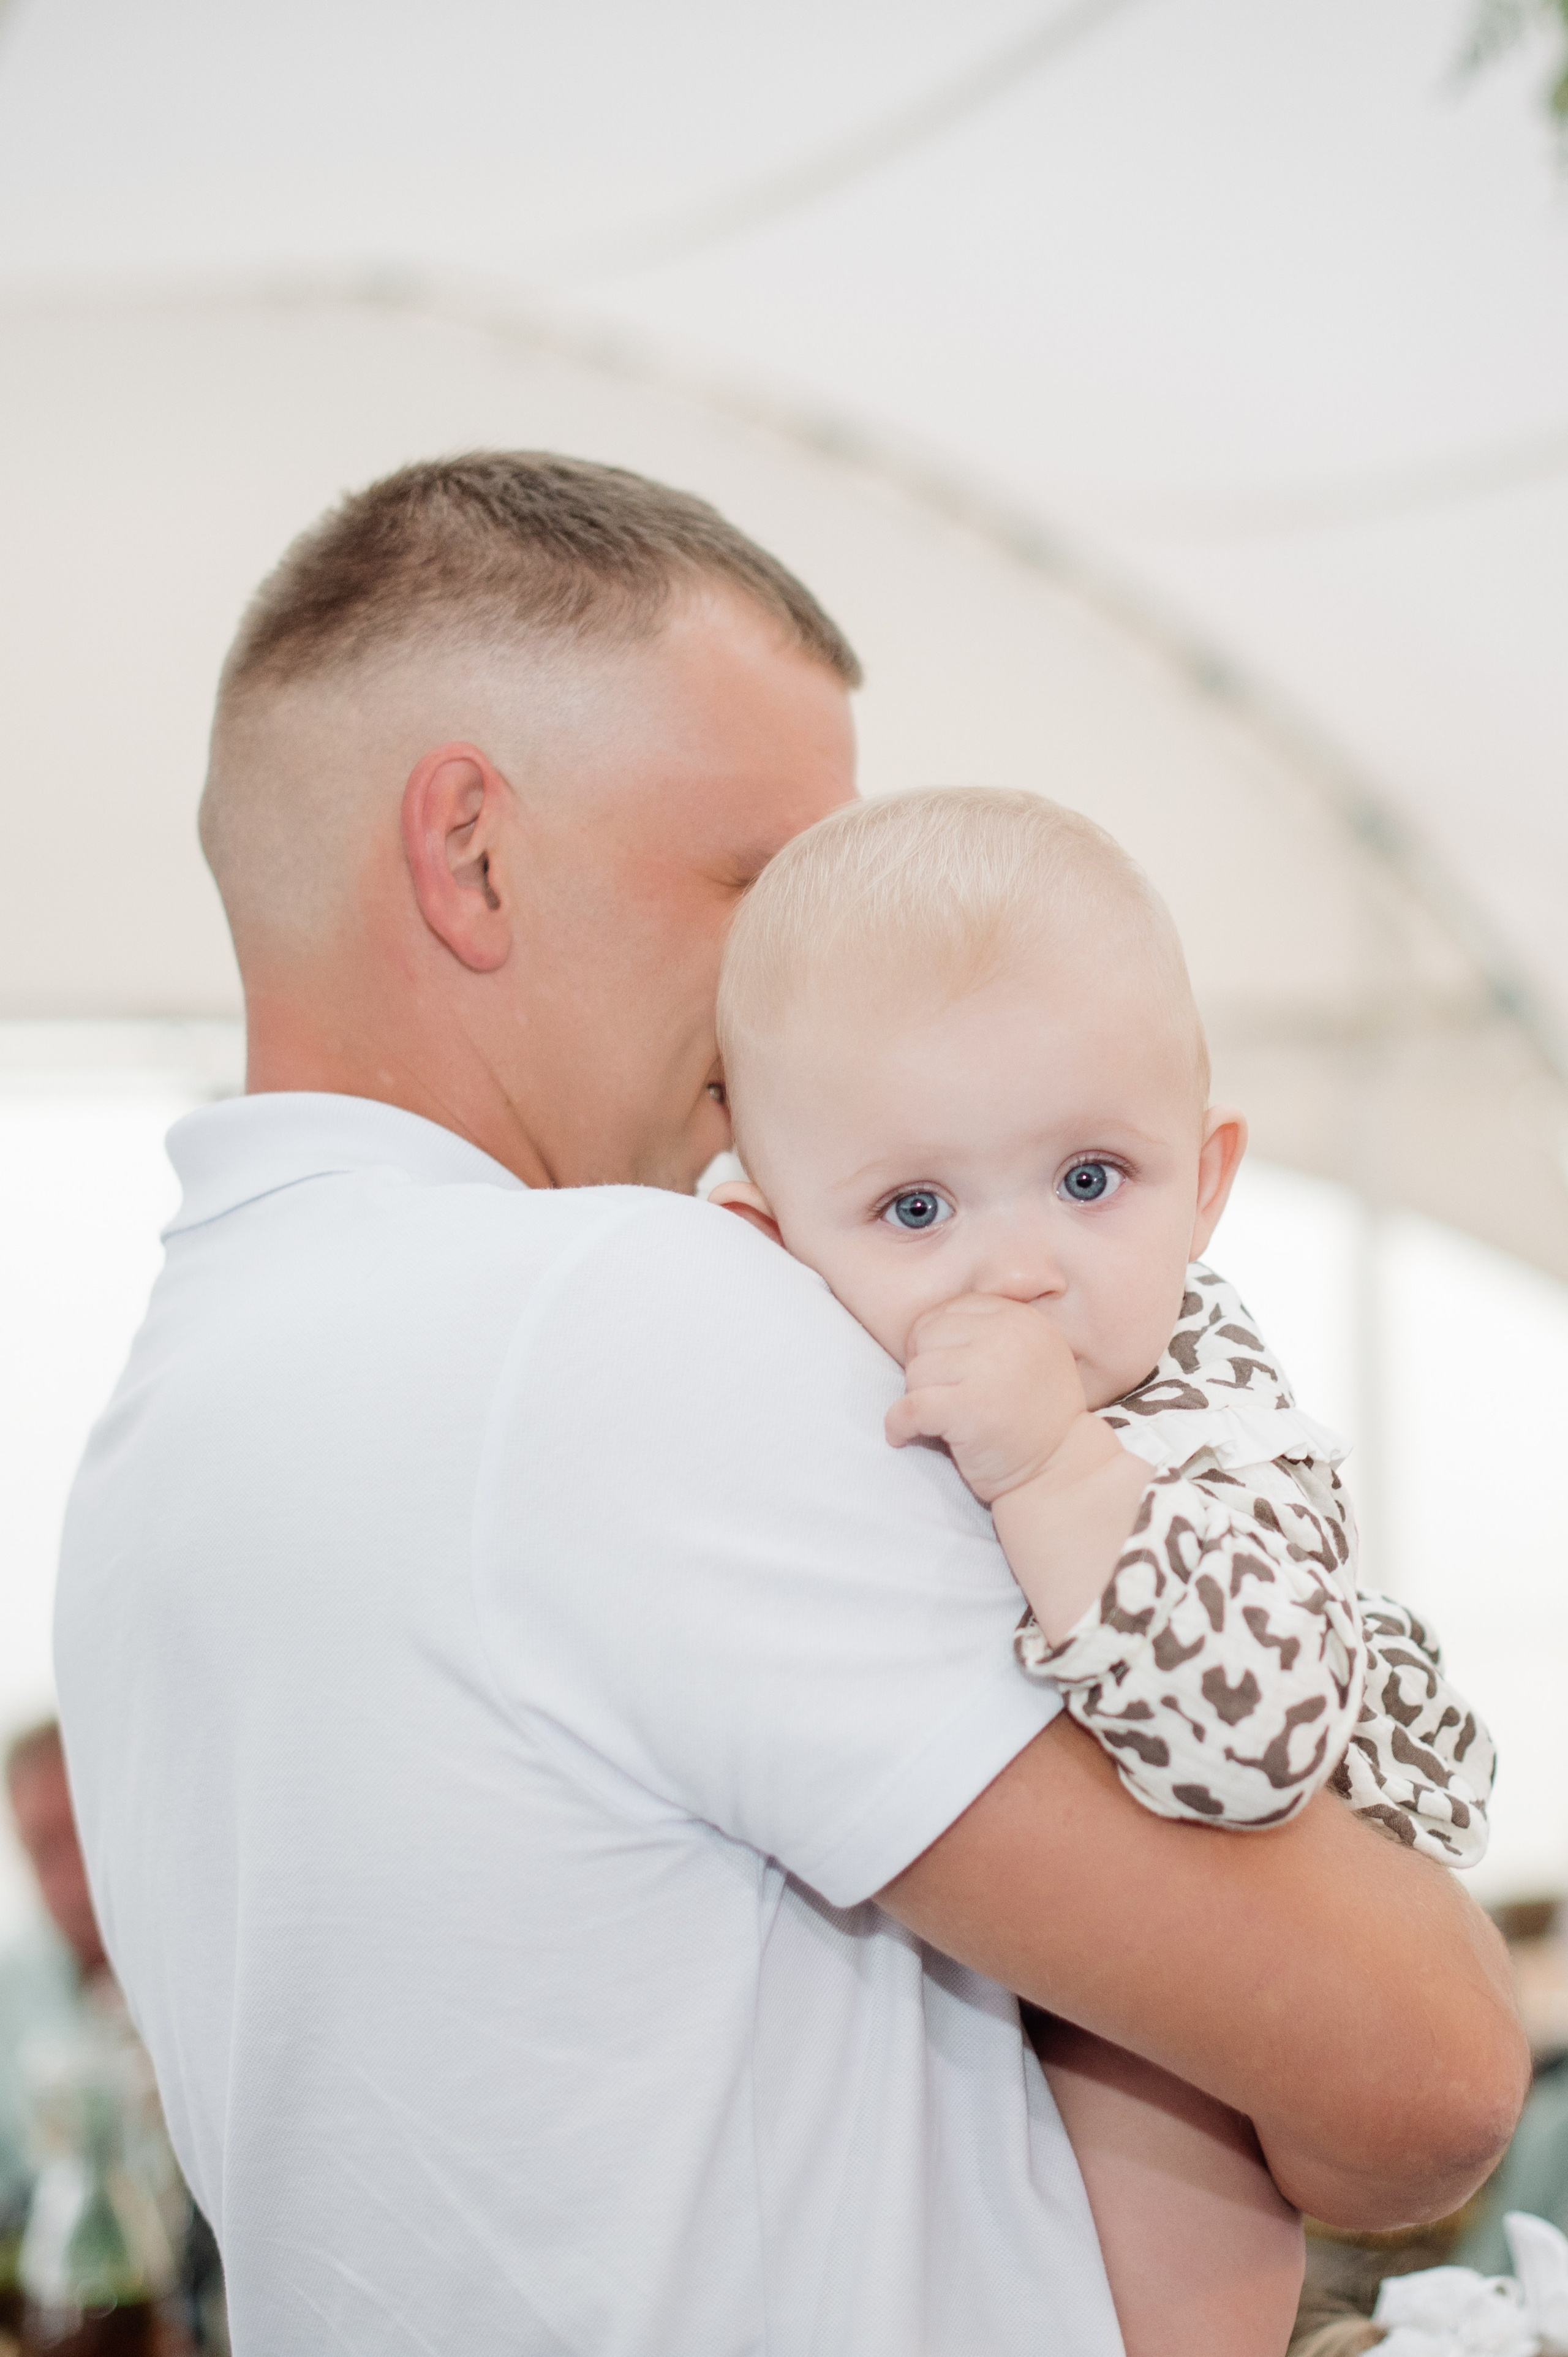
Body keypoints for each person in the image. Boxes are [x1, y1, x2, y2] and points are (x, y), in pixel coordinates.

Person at [53, 454, 1528, 2357]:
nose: (831, 980)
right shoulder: (609, 1317)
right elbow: (1421, 2076)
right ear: (473, 853)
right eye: (764, 879)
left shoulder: (159, 1440)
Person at [707, 786, 1497, 2351]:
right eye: (915, 1206)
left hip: (1223, 1944)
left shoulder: (1207, 1423)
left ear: (1204, 1182)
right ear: (765, 1236)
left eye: (1088, 1180)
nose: (1021, 1266)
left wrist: (1058, 1474)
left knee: (1150, 2124)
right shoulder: (798, 1376)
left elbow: (1256, 1749)